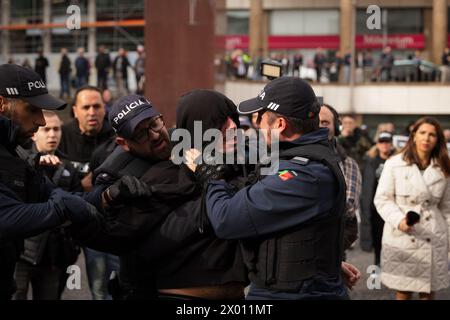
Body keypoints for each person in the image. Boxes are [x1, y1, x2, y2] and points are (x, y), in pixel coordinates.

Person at [73, 91, 249, 300]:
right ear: (124, 143)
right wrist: (107, 197)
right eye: (140, 133)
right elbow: (108, 230)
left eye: (155, 123)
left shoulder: (221, 159)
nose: (154, 135)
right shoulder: (133, 178)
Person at [199, 77, 352, 299]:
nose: (255, 123)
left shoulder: (304, 174)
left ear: (280, 125)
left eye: (259, 117)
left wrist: (208, 176)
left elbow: (226, 219)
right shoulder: (300, 158)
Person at [0, 64, 102, 300]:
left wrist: (107, 195)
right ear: (2, 103)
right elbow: (6, 218)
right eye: (32, 109)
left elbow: (56, 193)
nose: (42, 122)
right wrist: (62, 207)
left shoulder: (15, 152)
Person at [374, 117, 450, 300]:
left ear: (438, 139)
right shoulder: (395, 163)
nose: (427, 138)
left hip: (433, 233)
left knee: (428, 291)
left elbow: (447, 207)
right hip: (403, 232)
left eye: (432, 134)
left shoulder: (444, 167)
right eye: (422, 133)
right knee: (403, 290)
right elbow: (382, 199)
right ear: (414, 135)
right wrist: (399, 221)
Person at [14, 111, 83, 300]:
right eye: (47, 129)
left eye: (57, 129)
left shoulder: (68, 167)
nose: (52, 134)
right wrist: (34, 166)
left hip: (54, 254)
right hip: (22, 251)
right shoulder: (17, 161)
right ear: (34, 133)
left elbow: (77, 206)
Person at [57, 85, 116, 300]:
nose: (92, 112)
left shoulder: (116, 136)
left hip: (100, 221)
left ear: (104, 109)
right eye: (86, 107)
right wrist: (79, 185)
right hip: (65, 221)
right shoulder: (60, 135)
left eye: (97, 106)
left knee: (103, 288)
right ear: (75, 110)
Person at [319, 104, 361, 252]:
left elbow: (347, 208)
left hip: (329, 249)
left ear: (336, 128)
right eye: (314, 121)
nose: (319, 126)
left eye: (325, 122)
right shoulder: (286, 155)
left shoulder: (348, 163)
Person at [360, 131, 395, 266]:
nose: (385, 145)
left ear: (391, 144)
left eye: (387, 142)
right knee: (377, 240)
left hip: (392, 206)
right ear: (377, 144)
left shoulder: (398, 160)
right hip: (375, 208)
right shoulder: (370, 161)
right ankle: (376, 270)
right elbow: (366, 185)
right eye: (382, 142)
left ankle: (390, 270)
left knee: (392, 241)